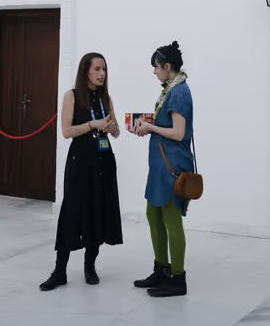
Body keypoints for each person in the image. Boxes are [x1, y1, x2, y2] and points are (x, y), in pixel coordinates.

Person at [39, 53, 123, 291]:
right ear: (85, 71)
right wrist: (92, 125)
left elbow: (115, 133)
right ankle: (59, 270)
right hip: (80, 161)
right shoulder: (72, 96)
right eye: (97, 69)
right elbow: (66, 131)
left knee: (97, 210)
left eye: (104, 69)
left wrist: (113, 127)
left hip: (103, 162)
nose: (101, 74)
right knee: (72, 211)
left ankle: (90, 266)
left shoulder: (106, 98)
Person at [132, 41, 193, 297]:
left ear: (168, 67)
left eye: (156, 67)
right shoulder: (170, 89)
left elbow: (178, 134)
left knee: (171, 220)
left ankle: (177, 279)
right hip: (160, 165)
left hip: (172, 166)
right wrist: (147, 123)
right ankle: (161, 269)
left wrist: (151, 128)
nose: (154, 72)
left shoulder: (179, 92)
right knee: (153, 215)